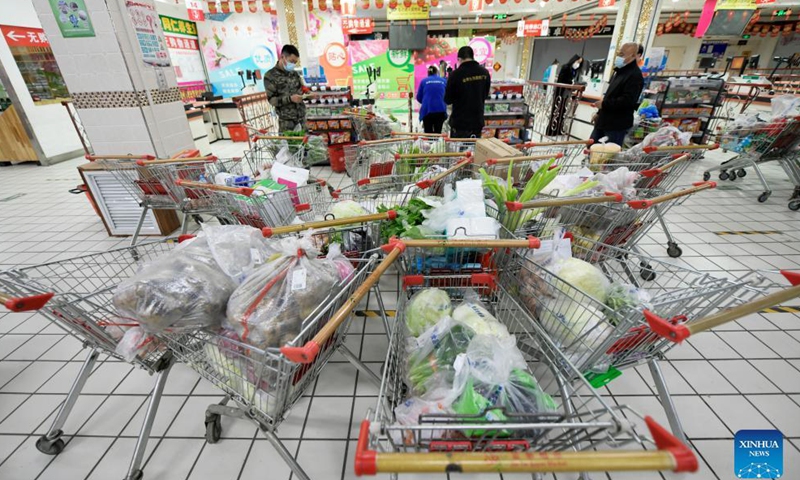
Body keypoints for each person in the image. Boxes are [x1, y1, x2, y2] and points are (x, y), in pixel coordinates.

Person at [590, 42, 644, 146]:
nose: (618, 57)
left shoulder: (635, 76)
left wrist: (604, 105)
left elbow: (627, 101)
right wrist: (599, 113)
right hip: (603, 121)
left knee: (606, 157)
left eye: (622, 54)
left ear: (633, 55)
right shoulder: (619, 71)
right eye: (618, 54)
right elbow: (610, 95)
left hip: (616, 125)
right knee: (591, 149)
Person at [444, 46, 492, 138]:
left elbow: (448, 99)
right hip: (477, 122)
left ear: (459, 59)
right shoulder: (485, 73)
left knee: (459, 151)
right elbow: (485, 95)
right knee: (474, 150)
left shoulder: (455, 74)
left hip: (460, 124)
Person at [264, 44, 305, 132]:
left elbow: (302, 90)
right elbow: (272, 100)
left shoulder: (294, 74)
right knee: (289, 145)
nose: (293, 64)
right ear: (283, 57)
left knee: (306, 144)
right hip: (286, 122)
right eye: (292, 61)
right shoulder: (270, 76)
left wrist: (308, 95)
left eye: (295, 62)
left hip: (302, 119)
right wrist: (290, 99)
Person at [547, 54, 583, 136]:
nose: (578, 64)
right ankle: (551, 130)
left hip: (567, 93)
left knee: (563, 112)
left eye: (580, 63)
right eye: (578, 62)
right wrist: (571, 83)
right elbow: (562, 79)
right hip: (561, 92)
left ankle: (559, 129)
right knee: (556, 111)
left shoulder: (574, 70)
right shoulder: (565, 67)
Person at [416, 65, 448, 134]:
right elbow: (448, 96)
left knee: (428, 133)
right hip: (440, 110)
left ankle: (429, 143)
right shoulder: (443, 81)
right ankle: (437, 143)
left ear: (428, 73)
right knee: (438, 132)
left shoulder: (424, 81)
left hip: (427, 110)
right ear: (437, 72)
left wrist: (426, 101)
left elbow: (418, 97)